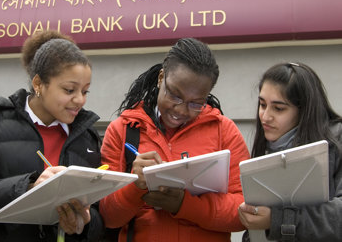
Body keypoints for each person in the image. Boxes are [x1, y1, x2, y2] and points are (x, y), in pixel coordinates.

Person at [100, 37, 250, 242]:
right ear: (161, 78)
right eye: (174, 95)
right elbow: (108, 217)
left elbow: (244, 212)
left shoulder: (224, 131)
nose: (180, 110)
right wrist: (135, 187)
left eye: (196, 103)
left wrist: (185, 205)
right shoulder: (124, 130)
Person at [0, 30, 104, 241]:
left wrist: (85, 223)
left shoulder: (86, 138)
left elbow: (98, 216)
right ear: (38, 84)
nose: (80, 100)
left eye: (85, 91)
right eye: (69, 90)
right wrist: (28, 186)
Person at [238, 62, 342, 241]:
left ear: (305, 111)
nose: (266, 116)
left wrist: (278, 220)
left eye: (279, 108)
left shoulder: (337, 140)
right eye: (262, 105)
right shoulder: (266, 150)